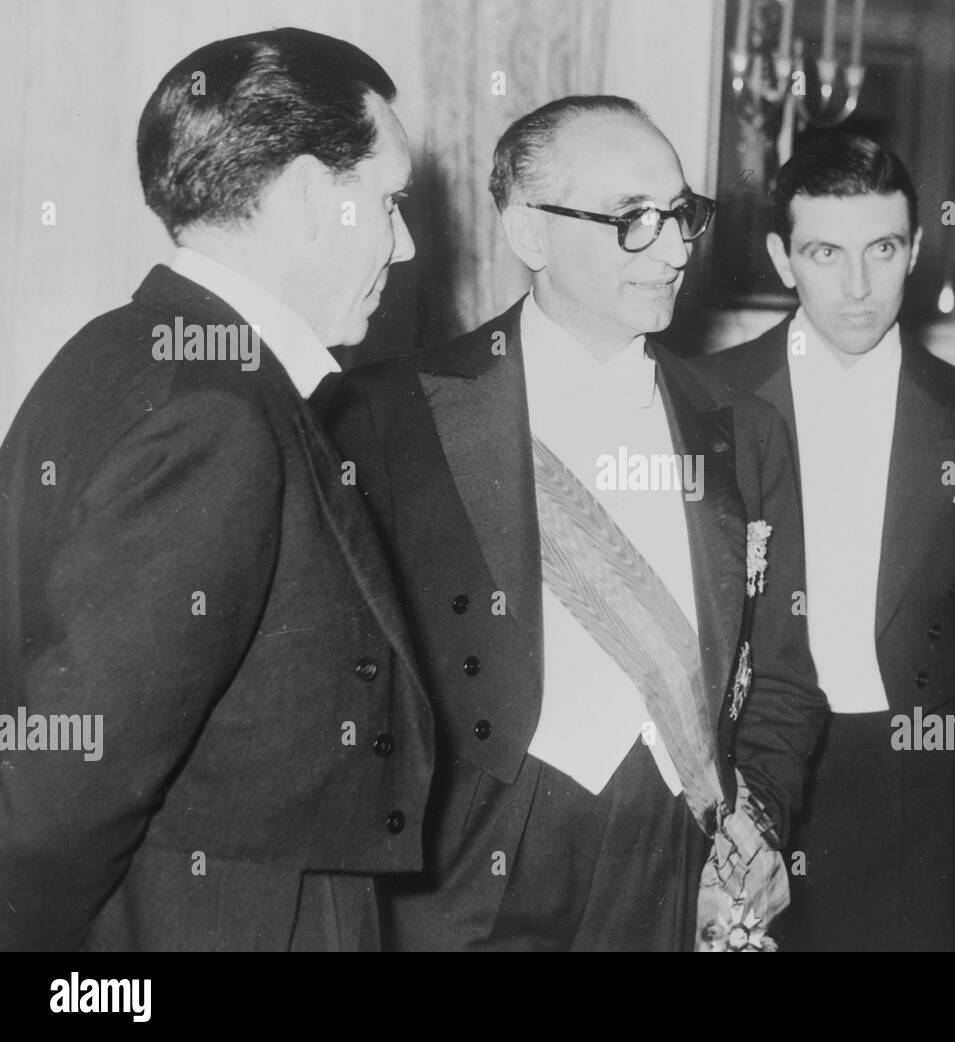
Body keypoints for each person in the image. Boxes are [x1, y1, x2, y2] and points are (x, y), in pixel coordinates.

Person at [326, 95, 825, 951]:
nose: (673, 250)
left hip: (675, 849)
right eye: (634, 220)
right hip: (468, 862)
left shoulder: (744, 429)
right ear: (530, 235)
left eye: (682, 216)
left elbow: (782, 671)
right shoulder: (388, 418)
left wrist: (762, 822)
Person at [0, 28, 434, 951]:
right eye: (390, 203)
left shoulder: (117, 351)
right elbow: (68, 776)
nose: (403, 245)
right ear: (314, 199)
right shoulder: (222, 418)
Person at [698, 135, 955, 951]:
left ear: (914, 250)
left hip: (912, 776)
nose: (856, 287)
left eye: (881, 250)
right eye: (824, 252)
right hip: (749, 775)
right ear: (782, 258)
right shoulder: (705, 399)